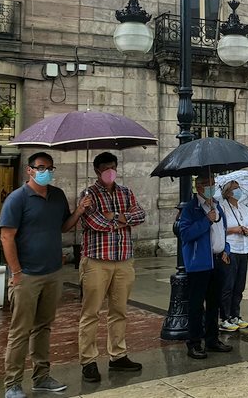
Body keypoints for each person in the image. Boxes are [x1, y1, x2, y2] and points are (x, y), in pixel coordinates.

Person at [0, 152, 91, 398]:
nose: (46, 172)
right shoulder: (17, 199)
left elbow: (62, 226)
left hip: (52, 273)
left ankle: (41, 377)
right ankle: (13, 384)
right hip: (26, 275)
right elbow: (7, 237)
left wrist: (80, 211)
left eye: (50, 168)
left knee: (44, 327)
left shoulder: (57, 195)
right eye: (41, 167)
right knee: (20, 331)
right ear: (29, 170)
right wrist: (16, 272)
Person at [77, 152, 146, 382]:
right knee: (91, 312)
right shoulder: (88, 195)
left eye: (113, 167)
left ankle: (118, 355)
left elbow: (140, 215)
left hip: (123, 260)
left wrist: (114, 215)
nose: (110, 172)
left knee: (119, 311)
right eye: (106, 168)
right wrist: (122, 219)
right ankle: (88, 360)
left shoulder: (125, 192)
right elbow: (95, 222)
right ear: (97, 171)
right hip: (96, 261)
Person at [179, 173, 232, 359]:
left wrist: (226, 248)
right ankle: (194, 342)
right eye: (208, 184)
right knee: (196, 305)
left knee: (214, 303)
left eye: (214, 183)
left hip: (218, 261)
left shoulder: (217, 206)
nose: (212, 187)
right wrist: (205, 220)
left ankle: (212, 339)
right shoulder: (190, 209)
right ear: (199, 186)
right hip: (199, 263)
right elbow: (185, 234)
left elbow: (222, 231)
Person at [217, 180, 248, 331]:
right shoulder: (223, 207)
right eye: (234, 188)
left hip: (244, 248)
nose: (238, 191)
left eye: (238, 188)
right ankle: (224, 317)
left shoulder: (243, 207)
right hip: (231, 248)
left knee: (240, 284)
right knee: (228, 284)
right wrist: (235, 229)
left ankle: (235, 314)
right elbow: (220, 228)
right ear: (227, 192)